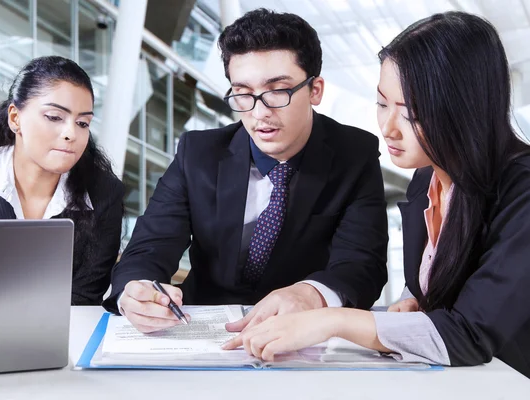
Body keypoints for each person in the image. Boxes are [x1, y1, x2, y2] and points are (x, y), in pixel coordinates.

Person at [222, 11, 530, 378]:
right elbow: (445, 299)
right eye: (383, 104)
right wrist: (415, 305)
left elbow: (471, 333)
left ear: (467, 108)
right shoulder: (426, 180)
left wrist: (332, 321)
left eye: (411, 113)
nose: (388, 128)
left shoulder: (521, 191)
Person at [103, 8, 388, 334]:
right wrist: (136, 291)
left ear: (315, 90)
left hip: (302, 333)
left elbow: (363, 265)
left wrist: (312, 294)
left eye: (278, 91)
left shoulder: (355, 155)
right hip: (204, 330)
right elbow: (149, 247)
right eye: (242, 93)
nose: (259, 112)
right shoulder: (198, 153)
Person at [0, 56, 125, 306]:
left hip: (56, 336)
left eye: (82, 123)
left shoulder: (104, 195)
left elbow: (84, 297)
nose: (71, 134)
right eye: (54, 117)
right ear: (15, 118)